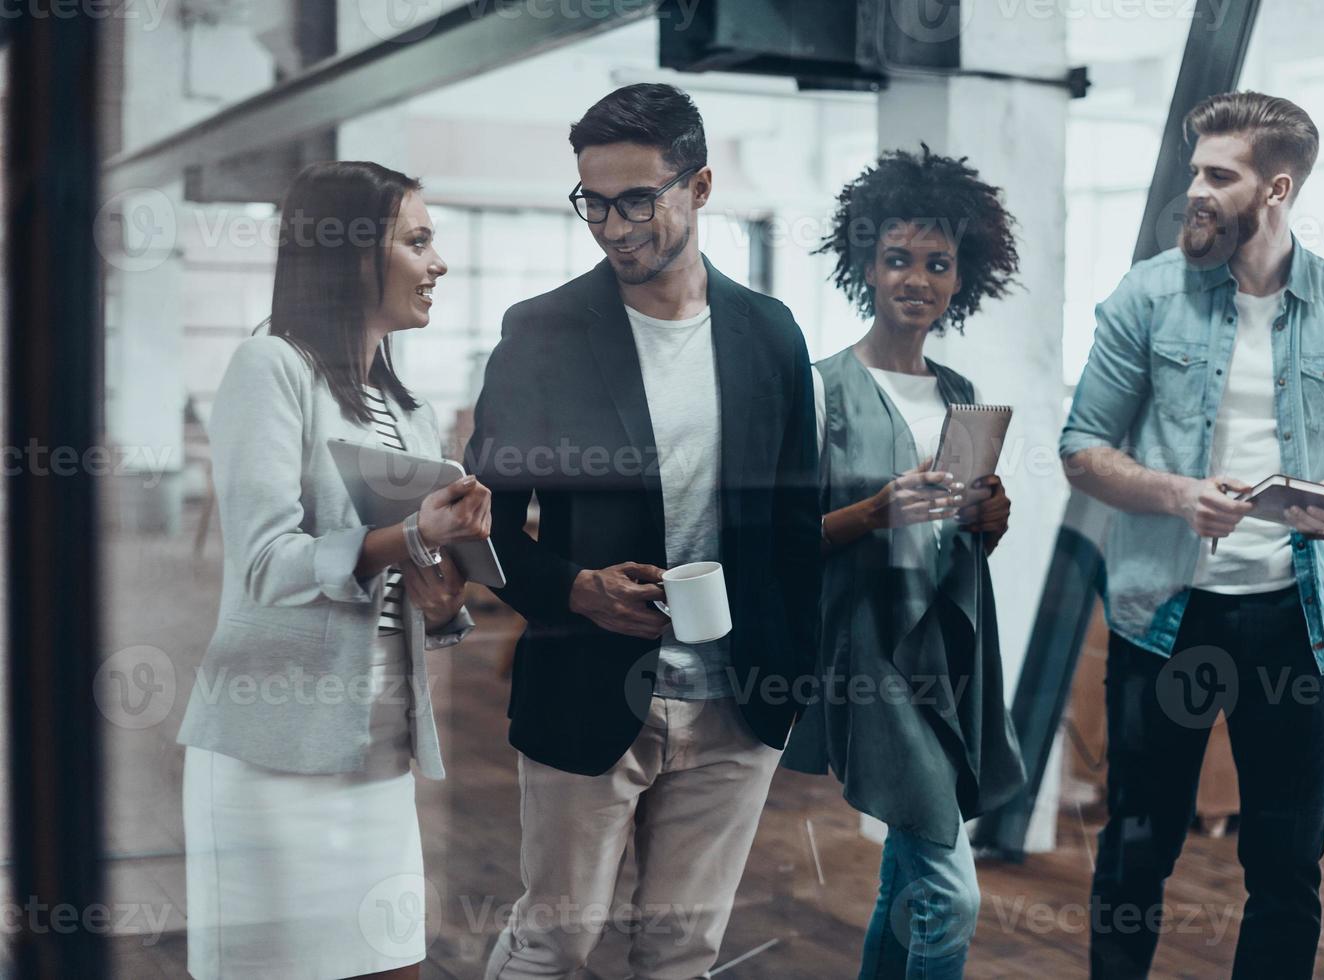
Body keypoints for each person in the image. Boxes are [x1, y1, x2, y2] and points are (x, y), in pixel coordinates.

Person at [464, 83, 821, 979]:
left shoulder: (770, 335)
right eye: (593, 201)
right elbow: (480, 531)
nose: (613, 227)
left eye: (636, 200)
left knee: (681, 950)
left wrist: (791, 679)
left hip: (735, 705)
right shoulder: (542, 333)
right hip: (584, 683)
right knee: (555, 939)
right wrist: (573, 590)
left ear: (698, 187)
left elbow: (792, 526)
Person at [1059, 92, 1324, 979]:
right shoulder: (1144, 297)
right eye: (1192, 171)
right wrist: (1175, 494)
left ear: (1275, 188)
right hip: (1165, 617)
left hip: (1294, 623)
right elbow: (1079, 450)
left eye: (1218, 175)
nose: (1194, 192)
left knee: (1286, 866)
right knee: (1137, 850)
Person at [177, 161, 492, 979]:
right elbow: (265, 562)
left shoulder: (412, 412)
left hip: (373, 750)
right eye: (417, 240)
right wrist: (405, 536)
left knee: (395, 966)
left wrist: (441, 592)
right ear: (353, 252)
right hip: (272, 751)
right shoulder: (271, 367)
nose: (439, 263)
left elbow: (417, 595)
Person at [780, 145, 1028, 979]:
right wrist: (871, 512)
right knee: (949, 892)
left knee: (906, 872)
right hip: (865, 657)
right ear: (865, 266)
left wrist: (987, 517)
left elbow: (958, 534)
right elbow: (781, 541)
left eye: (936, 263)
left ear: (962, 279)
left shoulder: (958, 391)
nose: (915, 278)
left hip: (947, 648)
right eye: (896, 259)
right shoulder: (819, 390)